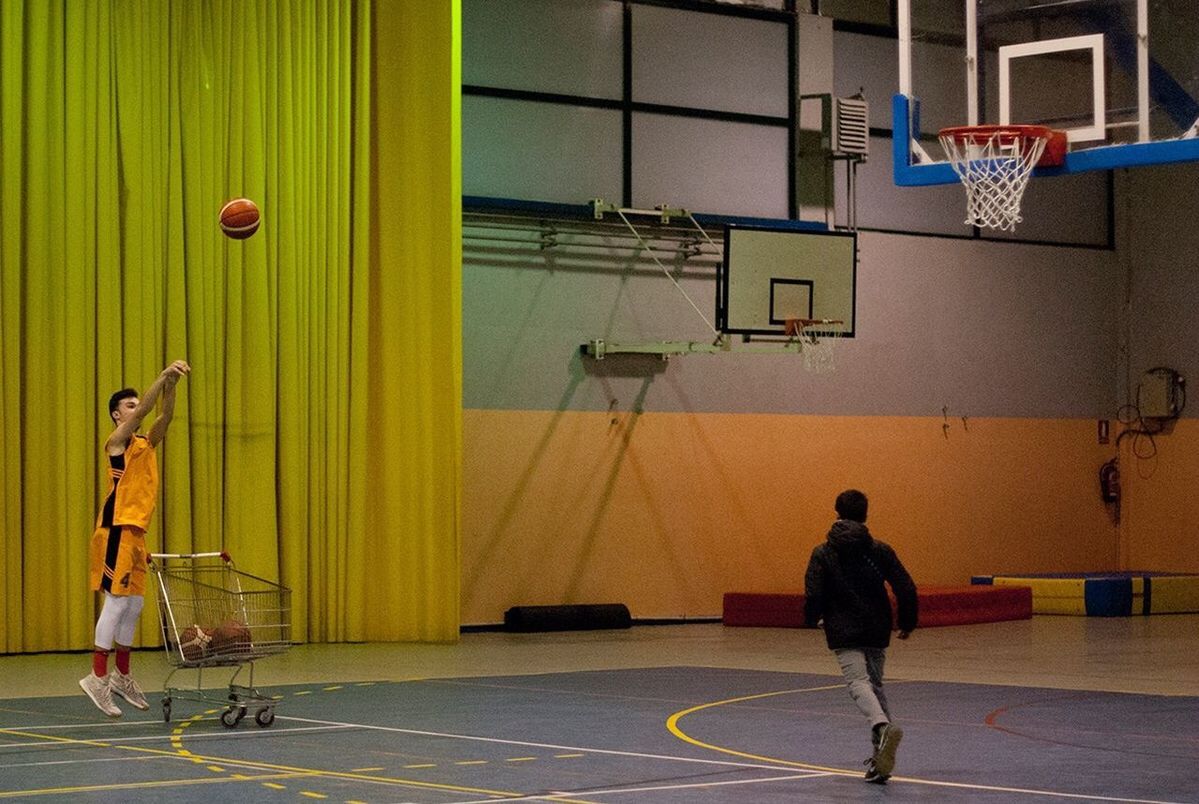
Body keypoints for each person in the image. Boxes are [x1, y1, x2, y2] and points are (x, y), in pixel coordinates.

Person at [79, 360, 190, 717]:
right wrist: (161, 376)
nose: (137, 407)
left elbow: (165, 417)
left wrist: (171, 385)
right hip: (115, 529)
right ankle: (96, 677)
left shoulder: (145, 444)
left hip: (137, 532)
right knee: (114, 603)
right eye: (129, 405)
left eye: (136, 403)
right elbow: (145, 411)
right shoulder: (115, 443)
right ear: (116, 414)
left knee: (135, 605)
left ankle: (121, 676)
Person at [803, 489, 918, 784]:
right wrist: (907, 621)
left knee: (858, 683)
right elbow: (905, 587)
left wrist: (812, 617)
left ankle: (882, 728)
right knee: (875, 686)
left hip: (843, 628)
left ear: (836, 512)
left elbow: (814, 591)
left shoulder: (823, 552)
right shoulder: (879, 550)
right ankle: (881, 762)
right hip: (876, 626)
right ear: (866, 514)